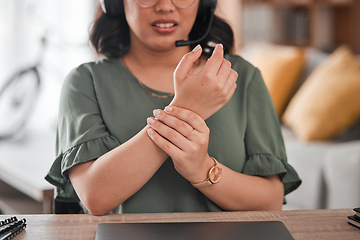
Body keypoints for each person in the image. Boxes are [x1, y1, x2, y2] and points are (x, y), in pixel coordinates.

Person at [45, 0, 301, 215]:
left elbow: (271, 201)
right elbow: (95, 196)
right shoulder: (84, 81)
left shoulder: (241, 76)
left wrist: (202, 169)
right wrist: (187, 107)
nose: (165, 6)